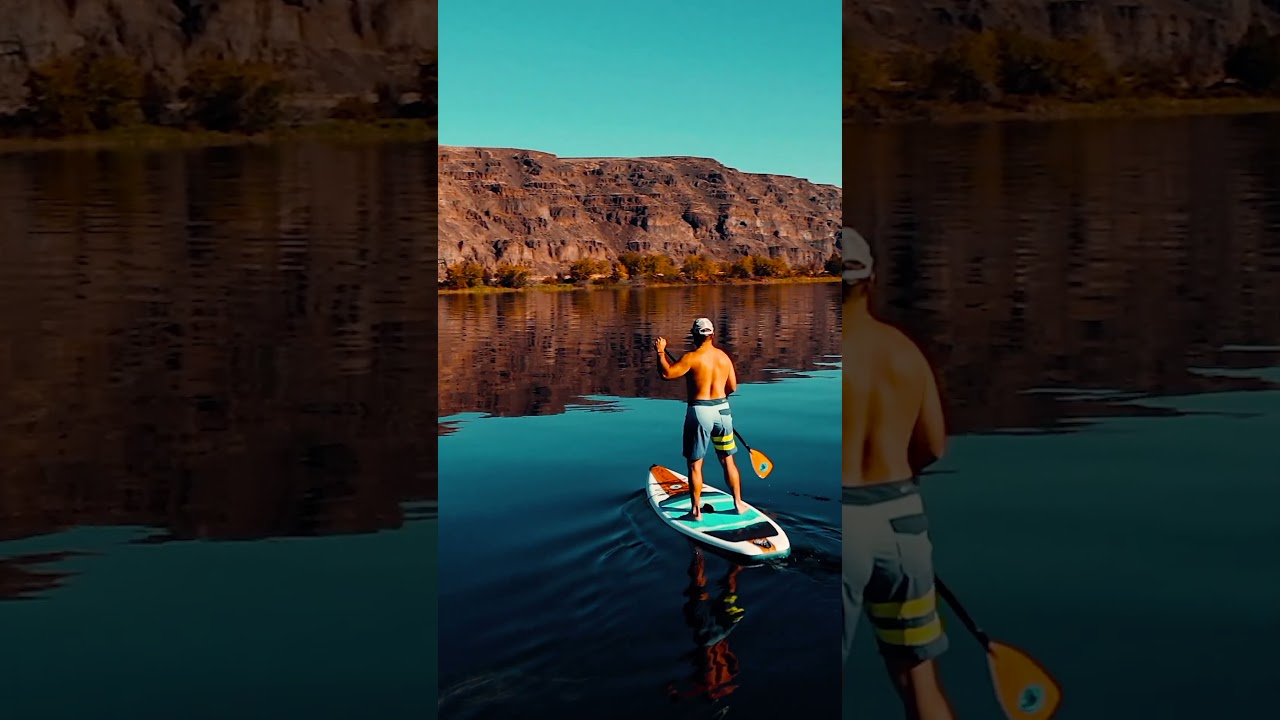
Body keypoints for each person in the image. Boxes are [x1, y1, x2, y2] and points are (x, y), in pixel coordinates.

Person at [842, 226, 956, 720]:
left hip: (846, 526)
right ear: (873, 280)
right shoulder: (904, 352)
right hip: (902, 521)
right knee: (918, 681)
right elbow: (932, 446)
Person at [655, 317, 743, 521]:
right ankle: (738, 503)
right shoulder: (724, 358)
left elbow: (667, 374)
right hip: (723, 411)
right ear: (712, 335)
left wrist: (660, 352)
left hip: (700, 412)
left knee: (695, 465)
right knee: (727, 460)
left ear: (694, 335)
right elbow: (732, 387)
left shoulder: (691, 358)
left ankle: (696, 512)